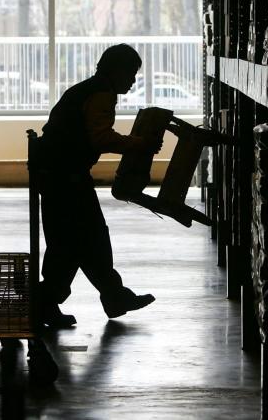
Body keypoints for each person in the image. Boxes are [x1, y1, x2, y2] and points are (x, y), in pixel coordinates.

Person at [35, 44, 162, 328]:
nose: (132, 80)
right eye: (130, 73)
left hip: (58, 176)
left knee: (79, 243)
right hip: (66, 179)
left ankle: (109, 296)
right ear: (115, 71)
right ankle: (48, 301)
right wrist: (141, 144)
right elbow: (100, 138)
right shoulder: (101, 95)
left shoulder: (86, 89)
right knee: (81, 242)